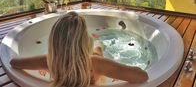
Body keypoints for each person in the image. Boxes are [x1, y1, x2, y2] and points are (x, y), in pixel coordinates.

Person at [10, 11, 148, 87]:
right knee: (98, 51)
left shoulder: (49, 61)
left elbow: (14, 63)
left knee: (97, 51)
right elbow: (142, 76)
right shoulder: (96, 64)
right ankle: (99, 45)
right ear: (84, 42)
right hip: (94, 61)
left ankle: (98, 46)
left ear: (53, 43)